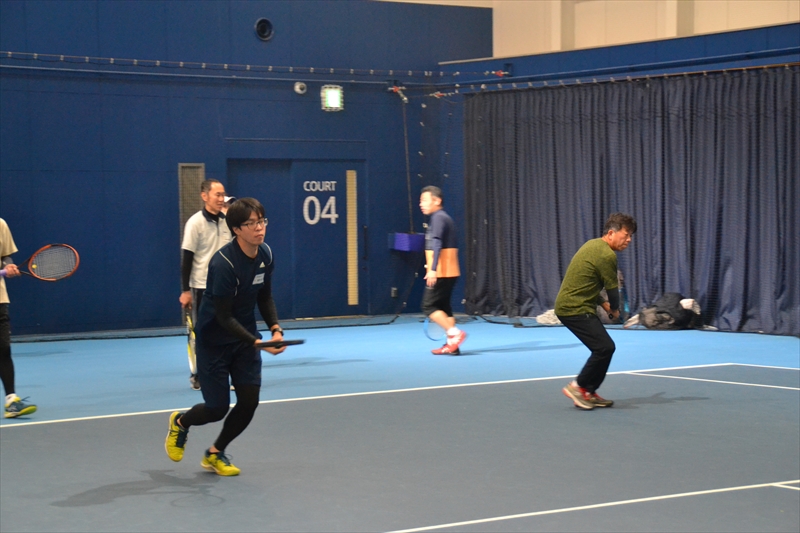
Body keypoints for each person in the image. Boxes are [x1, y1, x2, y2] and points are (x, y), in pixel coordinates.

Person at [166, 198, 285, 476]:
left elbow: (265, 296)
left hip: (244, 341)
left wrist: (275, 328)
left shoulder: (266, 254)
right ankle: (181, 423)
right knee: (216, 408)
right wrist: (256, 342)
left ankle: (214, 453)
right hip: (214, 342)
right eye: (251, 223)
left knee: (249, 401)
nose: (259, 228)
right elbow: (223, 316)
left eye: (261, 221)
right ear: (236, 229)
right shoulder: (223, 264)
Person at [555, 212, 637, 410]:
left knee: (604, 348)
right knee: (604, 347)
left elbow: (586, 282)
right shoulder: (607, 255)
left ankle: (589, 391)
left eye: (631, 236)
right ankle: (578, 386)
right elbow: (613, 291)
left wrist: (604, 304)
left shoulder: (592, 245)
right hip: (573, 308)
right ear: (611, 233)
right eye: (626, 235)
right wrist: (615, 309)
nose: (629, 239)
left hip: (574, 305)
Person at [180, 180, 233, 390]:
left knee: (228, 332)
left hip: (226, 288)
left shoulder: (228, 222)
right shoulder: (194, 223)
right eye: (217, 195)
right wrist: (186, 290)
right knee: (203, 334)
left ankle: (224, 374)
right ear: (204, 196)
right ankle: (199, 375)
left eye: (223, 195)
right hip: (202, 288)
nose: (221, 199)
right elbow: (187, 259)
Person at [419, 186, 467, 355]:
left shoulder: (439, 217)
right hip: (449, 271)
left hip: (441, 271)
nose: (421, 204)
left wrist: (433, 270)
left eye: (424, 200)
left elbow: (437, 242)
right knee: (444, 307)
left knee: (428, 306)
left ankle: (455, 334)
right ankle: (452, 346)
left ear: (437, 200)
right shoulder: (442, 217)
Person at [0, 218, 37, 418]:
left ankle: (11, 401)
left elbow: (5, 256)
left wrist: (9, 266)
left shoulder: (0, 225)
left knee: (3, 349)